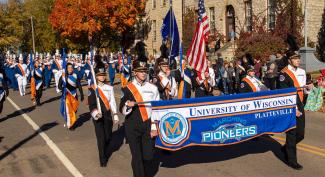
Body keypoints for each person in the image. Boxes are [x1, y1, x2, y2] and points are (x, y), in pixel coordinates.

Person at [119, 60, 160, 177]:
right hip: (132, 126)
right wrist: (127, 105)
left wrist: (154, 127)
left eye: (145, 71)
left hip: (148, 125)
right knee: (137, 157)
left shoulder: (153, 88)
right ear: (135, 72)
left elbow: (156, 110)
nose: (143, 73)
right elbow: (121, 109)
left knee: (148, 156)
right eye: (140, 71)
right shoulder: (127, 88)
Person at [278, 51, 306, 170]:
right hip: (290, 105)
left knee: (300, 134)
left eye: (298, 58)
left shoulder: (302, 71)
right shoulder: (284, 74)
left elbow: (303, 90)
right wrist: (293, 109)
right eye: (295, 59)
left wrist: (308, 89)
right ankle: (292, 161)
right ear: (289, 60)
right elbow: (284, 94)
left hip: (300, 103)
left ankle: (286, 148)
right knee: (292, 134)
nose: (298, 60)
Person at [88, 61, 119, 167]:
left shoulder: (109, 88)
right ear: (96, 76)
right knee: (100, 138)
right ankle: (102, 159)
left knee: (108, 137)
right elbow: (91, 105)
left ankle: (105, 149)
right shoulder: (92, 89)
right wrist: (96, 113)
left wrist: (115, 114)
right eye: (100, 75)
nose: (102, 77)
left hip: (107, 116)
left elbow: (112, 102)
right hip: (98, 117)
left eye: (103, 75)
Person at [58, 63, 84, 129]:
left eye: (71, 67)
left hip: (74, 95)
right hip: (67, 96)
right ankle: (70, 124)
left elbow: (79, 86)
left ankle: (71, 121)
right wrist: (63, 89)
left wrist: (82, 94)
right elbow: (59, 86)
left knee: (74, 110)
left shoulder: (75, 75)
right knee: (68, 110)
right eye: (69, 67)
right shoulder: (63, 76)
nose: (70, 69)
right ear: (66, 69)